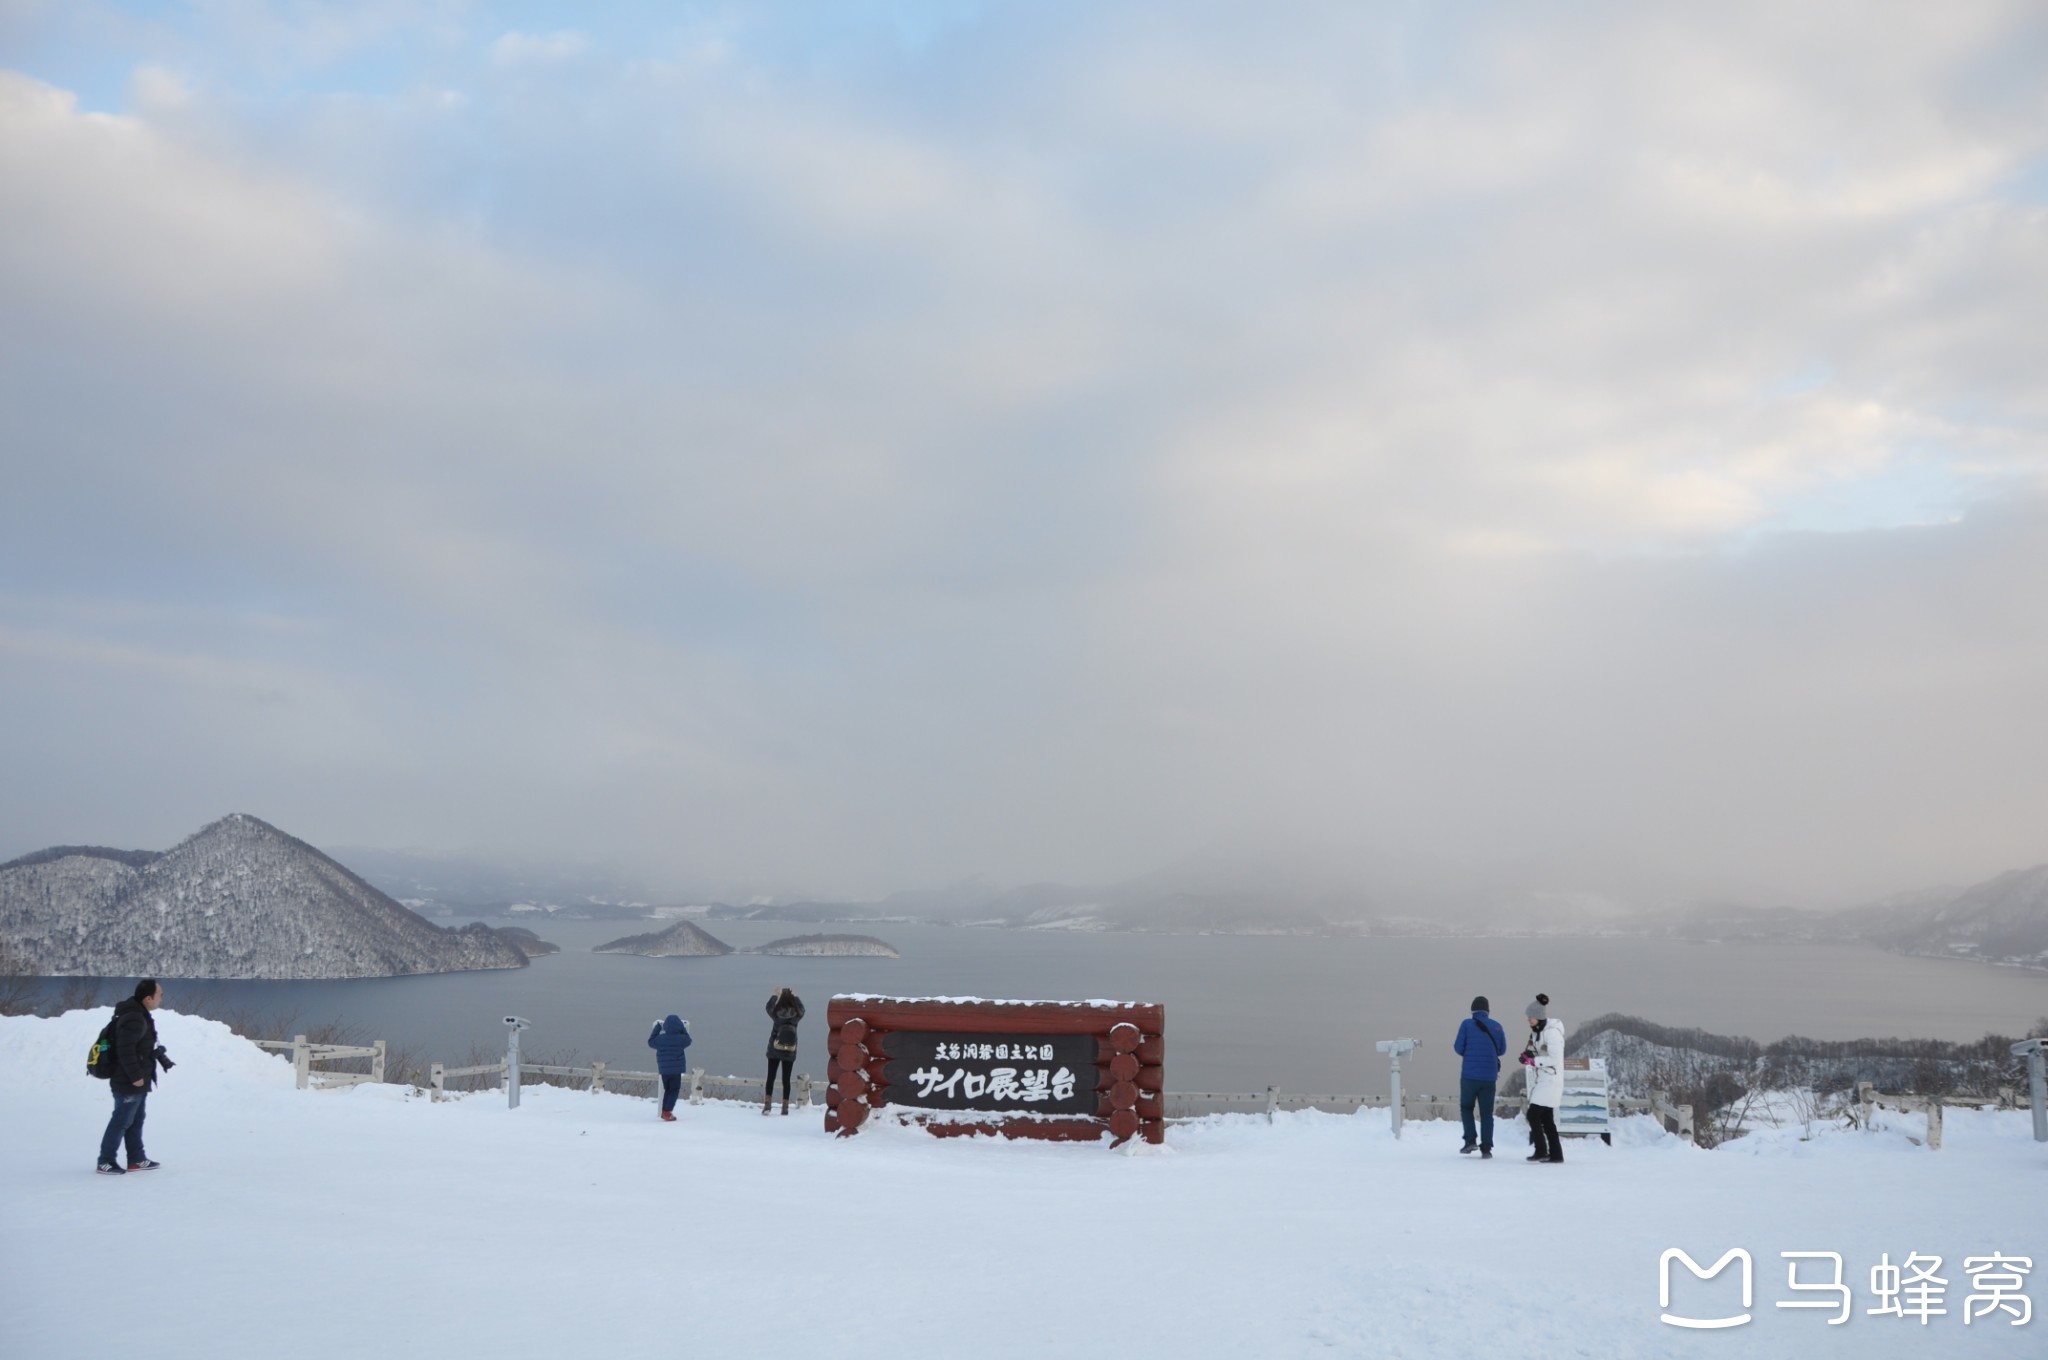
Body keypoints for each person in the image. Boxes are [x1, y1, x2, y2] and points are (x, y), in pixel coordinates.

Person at [98, 978, 172, 1175]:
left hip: (138, 1079)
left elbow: (139, 1048)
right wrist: (135, 1076)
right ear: (148, 998)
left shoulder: (139, 1015)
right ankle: (105, 1161)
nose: (161, 998)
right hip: (129, 1080)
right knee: (121, 1121)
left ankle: (136, 1159)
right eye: (160, 995)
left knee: (136, 1120)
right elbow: (125, 1049)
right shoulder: (134, 1018)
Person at [1453, 995, 1507, 1158]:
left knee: (1466, 1108)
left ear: (1473, 1010)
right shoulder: (1497, 1027)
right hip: (1489, 1077)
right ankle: (1486, 1148)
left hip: (1469, 1076)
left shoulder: (1467, 1024)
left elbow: (1458, 1048)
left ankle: (1470, 1141)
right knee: (1486, 1113)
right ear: (1487, 1010)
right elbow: (1502, 1050)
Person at [1521, 994, 1566, 1163]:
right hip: (1545, 1079)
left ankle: (1541, 1151)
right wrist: (1528, 1055)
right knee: (1547, 1119)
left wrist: (1533, 1061)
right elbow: (1539, 1051)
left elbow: (1555, 1059)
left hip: (1551, 1079)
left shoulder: (1552, 1033)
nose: (1528, 1020)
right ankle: (1556, 1154)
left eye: (1530, 1017)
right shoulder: (1537, 1033)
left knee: (1533, 1115)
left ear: (1539, 1017)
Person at [763, 987, 804, 1116]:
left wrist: (775, 995)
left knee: (771, 1077)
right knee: (786, 1079)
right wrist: (795, 996)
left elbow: (768, 1006)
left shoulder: (776, 1013)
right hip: (790, 1050)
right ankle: (785, 1107)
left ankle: (767, 1106)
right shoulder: (796, 1014)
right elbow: (803, 1009)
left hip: (774, 1048)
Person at [646, 1014, 693, 1122]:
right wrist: (683, 1030)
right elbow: (688, 1040)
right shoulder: (681, 1039)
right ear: (680, 1026)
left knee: (668, 1090)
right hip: (676, 1070)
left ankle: (665, 1111)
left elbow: (651, 1041)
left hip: (664, 1070)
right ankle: (667, 1112)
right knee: (674, 1090)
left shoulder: (660, 1039)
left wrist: (657, 1028)